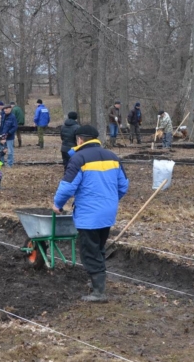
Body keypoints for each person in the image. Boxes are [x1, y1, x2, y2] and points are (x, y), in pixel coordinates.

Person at [52, 125, 128, 302]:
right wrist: (110, 200)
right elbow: (123, 185)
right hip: (108, 212)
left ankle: (99, 293)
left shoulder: (79, 158)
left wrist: (58, 204)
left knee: (89, 251)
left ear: (79, 139)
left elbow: (68, 187)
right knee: (99, 247)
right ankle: (97, 285)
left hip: (89, 214)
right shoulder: (112, 157)